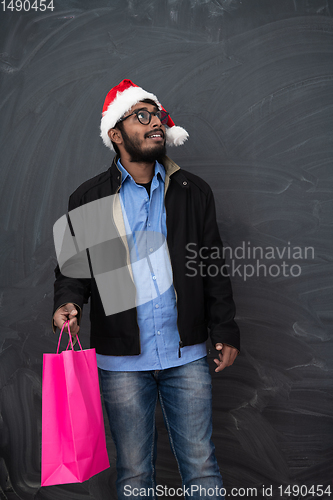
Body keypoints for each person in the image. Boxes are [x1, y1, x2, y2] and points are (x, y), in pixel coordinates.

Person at [53, 79, 240, 499]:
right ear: (115, 134)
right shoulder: (90, 198)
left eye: (157, 114)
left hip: (186, 355)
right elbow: (72, 271)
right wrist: (67, 302)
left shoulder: (192, 192)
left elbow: (211, 264)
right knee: (135, 475)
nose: (155, 122)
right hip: (121, 363)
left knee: (202, 467)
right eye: (142, 115)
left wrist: (225, 329)